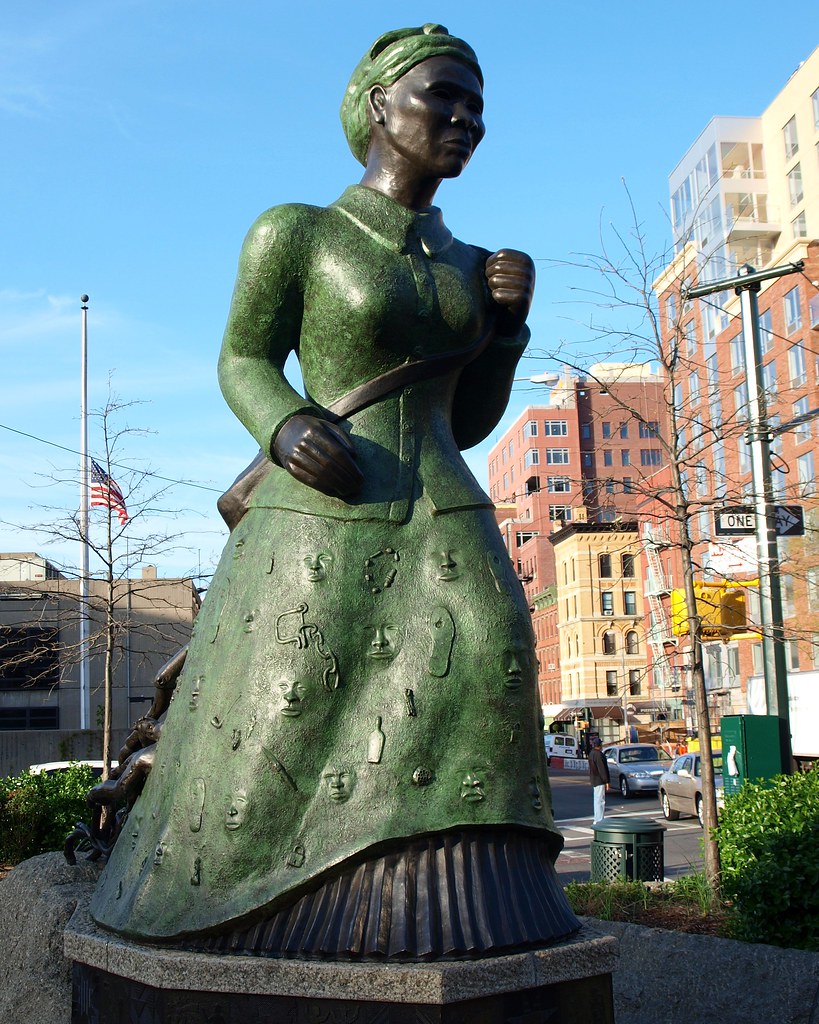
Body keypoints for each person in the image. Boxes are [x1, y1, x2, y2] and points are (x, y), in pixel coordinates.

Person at [89, 24, 579, 958]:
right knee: (285, 716)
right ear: (375, 107)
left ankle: (465, 912)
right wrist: (281, 422)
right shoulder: (298, 231)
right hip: (319, 511)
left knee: (486, 666)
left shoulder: (476, 263)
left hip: (444, 506)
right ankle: (256, 918)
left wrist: (507, 329)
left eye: (476, 107)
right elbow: (242, 355)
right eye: (444, 97)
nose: (465, 120)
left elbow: (469, 421)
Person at [589, 737, 609, 824]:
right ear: (599, 745)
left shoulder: (591, 754)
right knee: (601, 800)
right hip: (600, 780)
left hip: (594, 779)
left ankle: (597, 818)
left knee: (597, 800)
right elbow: (602, 769)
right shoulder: (599, 754)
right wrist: (606, 781)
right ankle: (599, 819)